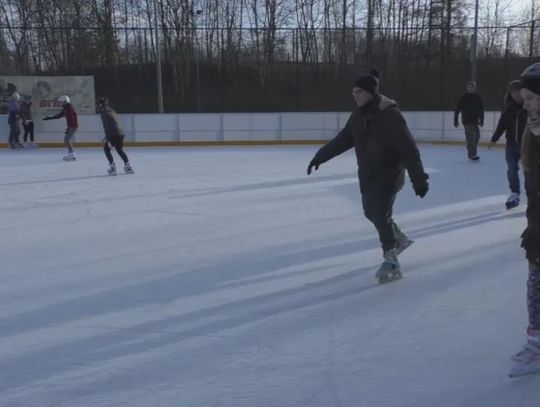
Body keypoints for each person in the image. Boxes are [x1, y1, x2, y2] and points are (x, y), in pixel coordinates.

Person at [306, 70, 429, 283]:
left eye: (359, 91)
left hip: (389, 174)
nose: (355, 95)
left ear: (372, 93)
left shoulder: (389, 116)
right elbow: (343, 140)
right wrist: (320, 157)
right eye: (353, 92)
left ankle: (391, 259)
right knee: (370, 213)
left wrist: (419, 179)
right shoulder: (357, 116)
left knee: (380, 214)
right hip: (368, 174)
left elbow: (409, 149)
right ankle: (397, 239)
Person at [510, 62, 540, 378]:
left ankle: (537, 346)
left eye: (530, 97)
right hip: (537, 219)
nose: (524, 102)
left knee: (536, 285)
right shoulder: (533, 126)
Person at [489, 80, 529, 209]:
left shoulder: (530, 106)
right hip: (511, 144)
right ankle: (515, 193)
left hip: (527, 144)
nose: (516, 95)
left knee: (530, 170)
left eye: (518, 91)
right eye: (513, 92)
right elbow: (502, 124)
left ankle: (532, 195)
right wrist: (494, 139)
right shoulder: (509, 108)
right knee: (512, 169)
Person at [97, 97, 134, 175]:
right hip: (120, 133)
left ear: (100, 104)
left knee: (106, 149)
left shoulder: (104, 112)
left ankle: (112, 168)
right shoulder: (111, 110)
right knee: (119, 149)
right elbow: (114, 122)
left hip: (113, 133)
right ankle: (128, 166)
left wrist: (108, 138)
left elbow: (106, 125)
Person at [454, 81, 484, 161]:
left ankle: (470, 149)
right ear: (467, 88)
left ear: (475, 88)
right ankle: (472, 154)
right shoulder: (463, 97)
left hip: (475, 121)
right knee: (470, 138)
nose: (471, 89)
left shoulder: (478, 97)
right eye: (469, 87)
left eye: (472, 87)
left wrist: (482, 119)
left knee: (477, 136)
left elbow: (481, 109)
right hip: (467, 121)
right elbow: (457, 109)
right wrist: (455, 120)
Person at [43, 95, 78, 161]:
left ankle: (72, 154)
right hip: (72, 126)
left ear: (65, 101)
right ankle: (72, 154)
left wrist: (70, 127)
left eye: (61, 102)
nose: (60, 104)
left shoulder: (69, 108)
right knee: (67, 140)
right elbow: (59, 115)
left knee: (67, 140)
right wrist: (49, 118)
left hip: (73, 126)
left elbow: (73, 119)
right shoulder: (66, 108)